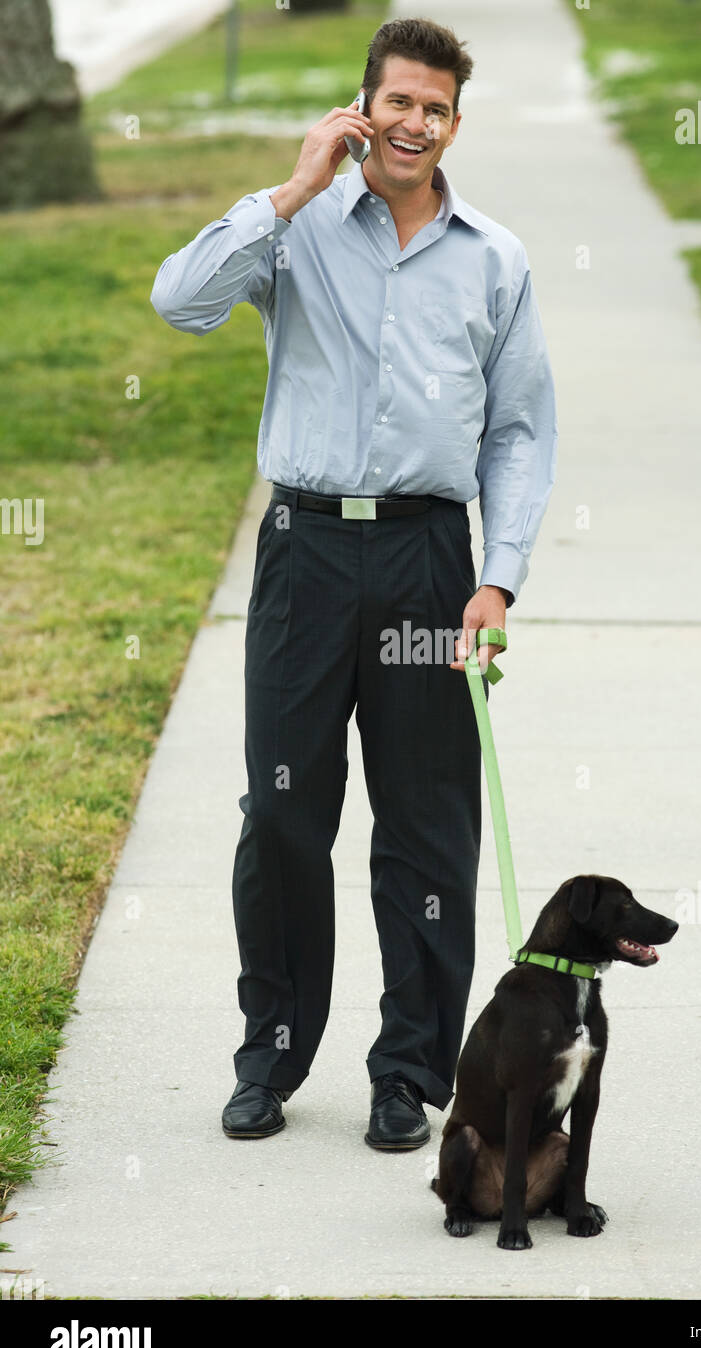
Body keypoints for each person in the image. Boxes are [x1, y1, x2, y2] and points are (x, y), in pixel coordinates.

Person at [149, 17, 557, 1151]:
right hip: (307, 555)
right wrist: (289, 190)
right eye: (399, 102)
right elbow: (179, 299)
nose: (415, 123)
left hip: (430, 562)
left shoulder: (495, 258)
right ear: (362, 107)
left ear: (456, 123)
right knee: (282, 814)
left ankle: (410, 1074)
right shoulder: (296, 231)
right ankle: (270, 1057)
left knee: (426, 825)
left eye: (436, 108)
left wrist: (499, 580)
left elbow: (519, 432)